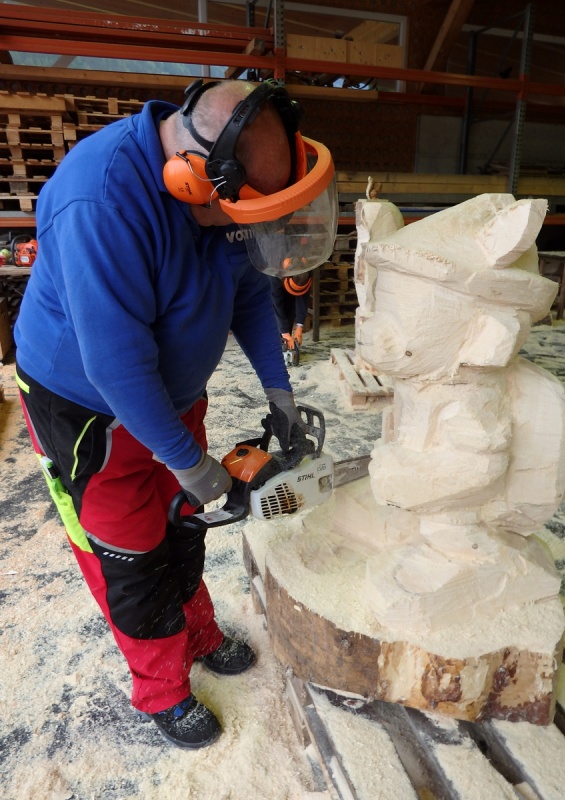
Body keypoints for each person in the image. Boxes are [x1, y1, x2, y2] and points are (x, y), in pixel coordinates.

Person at [13, 78, 337, 750]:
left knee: (183, 523)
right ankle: (161, 689)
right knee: (130, 553)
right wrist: (190, 462)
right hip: (89, 414)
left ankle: (199, 633)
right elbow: (116, 367)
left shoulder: (225, 193)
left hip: (172, 399)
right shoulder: (100, 201)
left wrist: (277, 389)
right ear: (192, 179)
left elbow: (248, 296)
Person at [269, 272, 312, 354]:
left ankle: (285, 347)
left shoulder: (307, 271)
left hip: (292, 276)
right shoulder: (274, 276)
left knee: (290, 307)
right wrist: (285, 334)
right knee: (273, 315)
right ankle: (275, 347)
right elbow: (277, 306)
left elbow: (303, 298)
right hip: (274, 277)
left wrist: (299, 326)